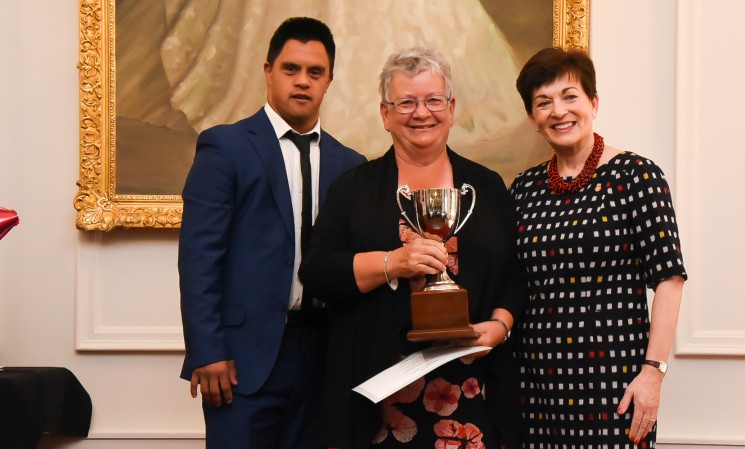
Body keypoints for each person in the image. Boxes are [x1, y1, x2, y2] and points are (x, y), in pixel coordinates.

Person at [298, 47, 527, 449]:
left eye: (433, 100)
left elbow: (515, 275)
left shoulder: (488, 186)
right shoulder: (354, 190)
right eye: (405, 102)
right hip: (378, 400)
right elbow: (316, 272)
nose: (422, 113)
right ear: (385, 114)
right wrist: (392, 262)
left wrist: (500, 327)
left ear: (451, 109)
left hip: (473, 392)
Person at [178, 17, 366, 449]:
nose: (302, 82)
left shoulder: (350, 164)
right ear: (268, 71)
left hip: (323, 356)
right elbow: (199, 257)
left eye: (315, 73)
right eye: (290, 69)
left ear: (329, 80)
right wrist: (206, 349)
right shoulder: (225, 147)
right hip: (242, 358)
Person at [510, 47, 688, 448]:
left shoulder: (637, 175)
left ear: (593, 102)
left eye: (569, 97)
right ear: (532, 119)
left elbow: (669, 279)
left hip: (616, 386)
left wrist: (653, 374)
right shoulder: (523, 188)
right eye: (543, 102)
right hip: (536, 388)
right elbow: (513, 281)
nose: (558, 111)